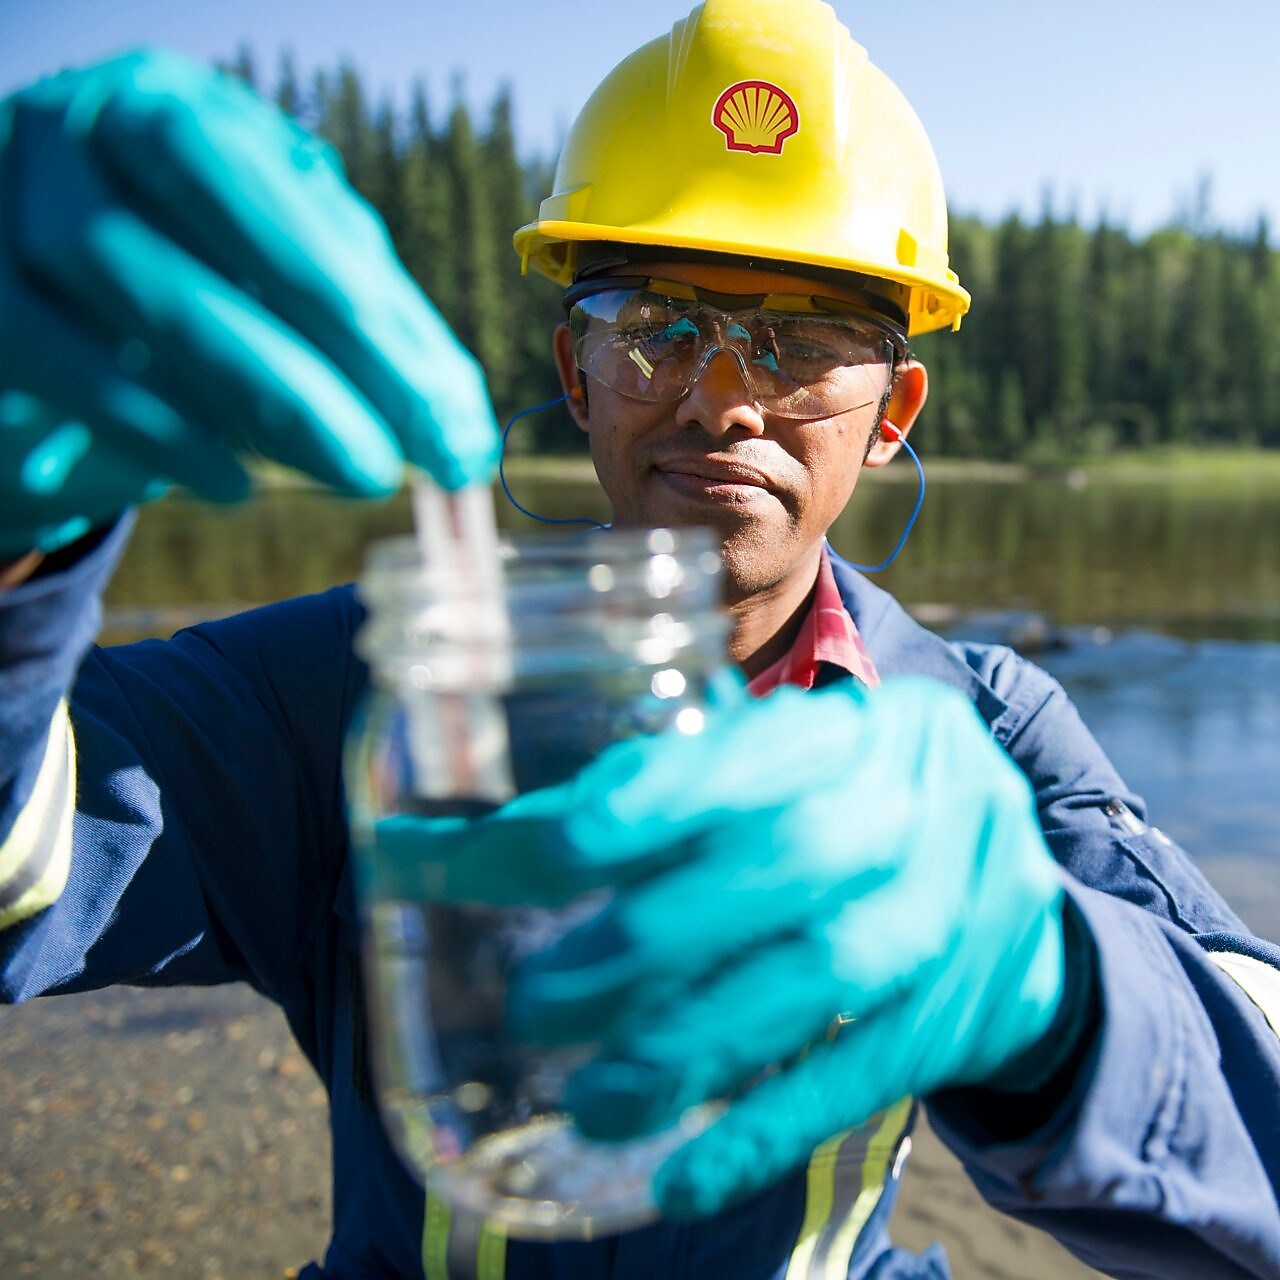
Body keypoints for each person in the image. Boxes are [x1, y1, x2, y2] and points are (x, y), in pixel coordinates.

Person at [3, 3, 1279, 1278]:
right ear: (576, 372)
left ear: (890, 413)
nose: (724, 397)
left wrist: (1063, 993)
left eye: (805, 341)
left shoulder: (985, 735)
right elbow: (35, 850)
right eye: (657, 327)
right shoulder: (355, 687)